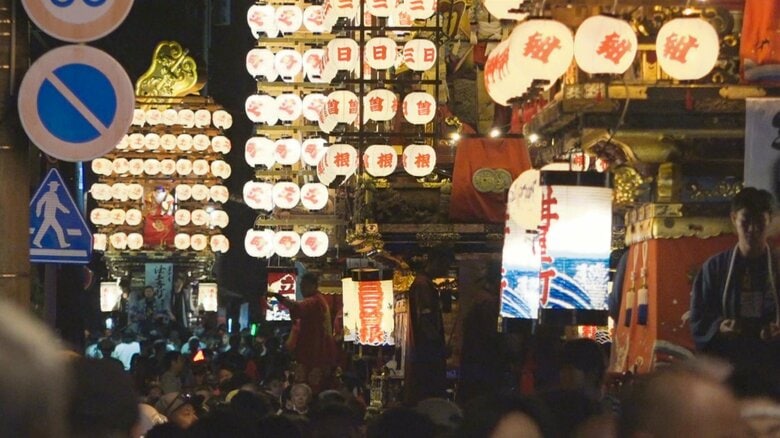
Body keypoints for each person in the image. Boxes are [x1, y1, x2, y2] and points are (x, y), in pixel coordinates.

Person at [690, 187, 780, 359]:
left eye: (760, 221)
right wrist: (719, 327)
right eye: (746, 221)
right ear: (733, 219)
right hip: (730, 358)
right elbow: (699, 316)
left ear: (769, 220)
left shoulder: (777, 264)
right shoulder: (715, 267)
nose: (752, 229)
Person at [270, 272, 338, 392]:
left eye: (304, 285)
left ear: (313, 286)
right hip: (318, 351)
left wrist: (277, 296)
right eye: (301, 286)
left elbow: (296, 307)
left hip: (314, 353)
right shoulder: (319, 301)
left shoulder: (314, 301)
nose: (302, 289)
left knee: (309, 388)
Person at [404, 251, 449, 405]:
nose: (446, 269)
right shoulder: (422, 285)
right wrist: (438, 347)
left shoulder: (424, 283)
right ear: (435, 261)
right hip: (427, 354)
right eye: (445, 265)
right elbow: (426, 321)